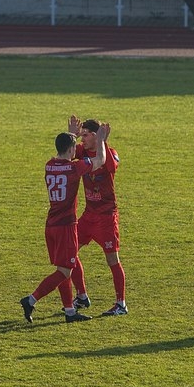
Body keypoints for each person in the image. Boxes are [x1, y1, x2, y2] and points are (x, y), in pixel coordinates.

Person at [20, 124, 110, 324]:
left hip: (50, 225)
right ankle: (31, 299)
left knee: (63, 267)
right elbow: (100, 160)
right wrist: (101, 140)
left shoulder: (49, 165)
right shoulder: (74, 168)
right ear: (71, 150)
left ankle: (70, 311)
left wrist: (72, 136)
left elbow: (65, 155)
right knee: (64, 272)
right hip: (66, 227)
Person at [66, 117, 127, 317]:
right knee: (69, 252)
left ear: (95, 135)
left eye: (85, 135)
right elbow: (65, 157)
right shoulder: (82, 151)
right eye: (81, 136)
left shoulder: (111, 152)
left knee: (112, 260)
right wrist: (72, 135)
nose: (82, 139)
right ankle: (82, 296)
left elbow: (111, 167)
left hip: (106, 217)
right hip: (88, 215)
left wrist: (102, 142)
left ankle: (121, 304)